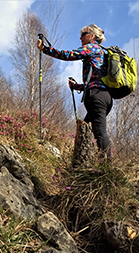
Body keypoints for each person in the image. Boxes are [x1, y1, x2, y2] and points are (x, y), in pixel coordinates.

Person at [36, 24, 113, 160]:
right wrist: (77, 87)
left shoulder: (91, 47)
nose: (80, 37)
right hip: (104, 96)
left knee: (100, 132)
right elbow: (95, 81)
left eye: (83, 34)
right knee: (86, 130)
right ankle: (87, 164)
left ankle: (107, 170)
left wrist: (45, 49)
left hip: (96, 97)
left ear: (92, 36)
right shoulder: (102, 52)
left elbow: (69, 55)